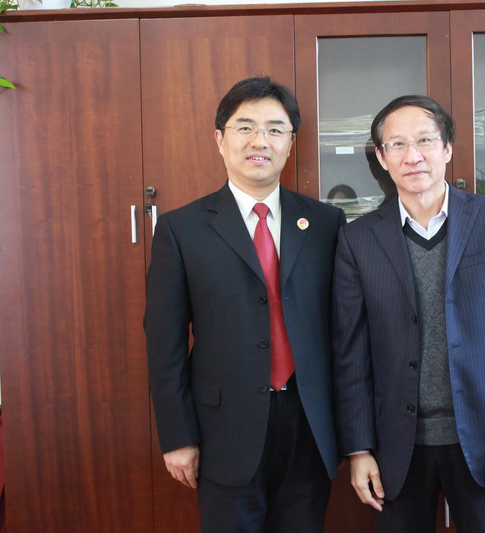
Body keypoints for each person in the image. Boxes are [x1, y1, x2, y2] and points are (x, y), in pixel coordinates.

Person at [331, 95, 485, 533]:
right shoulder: (358, 239)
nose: (413, 156)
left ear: (447, 148)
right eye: (397, 144)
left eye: (425, 140)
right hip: (395, 446)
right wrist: (358, 450)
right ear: (382, 158)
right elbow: (349, 353)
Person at [144, 76, 345, 533]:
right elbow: (164, 345)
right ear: (220, 139)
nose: (261, 141)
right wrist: (177, 437)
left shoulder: (327, 223)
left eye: (275, 129)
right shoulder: (182, 229)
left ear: (291, 143)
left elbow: (344, 332)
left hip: (311, 425)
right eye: (246, 127)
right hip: (223, 430)